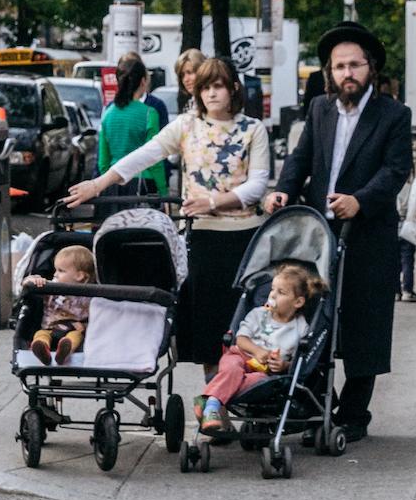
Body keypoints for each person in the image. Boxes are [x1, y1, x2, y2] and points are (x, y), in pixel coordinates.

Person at [65, 56, 271, 373]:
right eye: (205, 88)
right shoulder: (186, 126)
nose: (212, 94)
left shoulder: (253, 129)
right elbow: (145, 155)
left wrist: (213, 202)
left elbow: (257, 184)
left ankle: (245, 395)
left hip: (247, 237)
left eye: (218, 86)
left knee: (246, 322)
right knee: (209, 328)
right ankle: (216, 402)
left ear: (233, 89)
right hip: (204, 236)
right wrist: (98, 183)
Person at [265, 21, 412, 442]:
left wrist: (360, 200)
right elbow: (302, 157)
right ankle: (317, 404)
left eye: (355, 65)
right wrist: (283, 190)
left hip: (368, 232)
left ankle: (353, 413)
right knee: (309, 315)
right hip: (318, 233)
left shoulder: (394, 115)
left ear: (371, 68)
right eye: (339, 66)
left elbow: (395, 170)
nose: (347, 73)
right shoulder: (320, 110)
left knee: (365, 322)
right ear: (330, 71)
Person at [198, 264, 325, 431]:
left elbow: (298, 358)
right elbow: (241, 339)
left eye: (281, 292)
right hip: (240, 356)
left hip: (264, 372)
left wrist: (284, 365)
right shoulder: (259, 314)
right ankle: (212, 404)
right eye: (273, 289)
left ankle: (208, 399)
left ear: (298, 302)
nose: (272, 295)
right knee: (232, 370)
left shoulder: (300, 328)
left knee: (261, 383)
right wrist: (257, 351)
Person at [97, 56, 167, 195]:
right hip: (144, 185)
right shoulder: (149, 113)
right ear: (143, 81)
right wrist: (163, 191)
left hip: (112, 182)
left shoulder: (108, 113)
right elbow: (154, 159)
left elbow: (103, 161)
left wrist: (106, 183)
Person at [22, 244, 96, 364]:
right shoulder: (51, 288)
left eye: (61, 271)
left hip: (73, 329)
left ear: (79, 276)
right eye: (56, 270)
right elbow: (26, 284)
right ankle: (42, 348)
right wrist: (33, 280)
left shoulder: (90, 295)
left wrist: (85, 326)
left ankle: (65, 351)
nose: (55, 274)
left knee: (76, 336)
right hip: (50, 328)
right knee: (40, 334)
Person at [174, 48, 207, 116]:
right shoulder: (190, 104)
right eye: (182, 75)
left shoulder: (212, 102)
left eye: (190, 72)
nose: (186, 79)